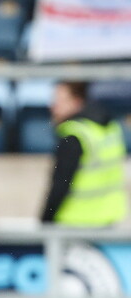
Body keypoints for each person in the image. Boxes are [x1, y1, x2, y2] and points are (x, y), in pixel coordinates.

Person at [41, 81, 127, 226]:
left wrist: (45, 221)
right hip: (108, 219)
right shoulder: (111, 127)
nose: (53, 106)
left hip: (75, 221)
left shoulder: (74, 136)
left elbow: (60, 186)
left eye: (59, 100)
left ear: (76, 102)